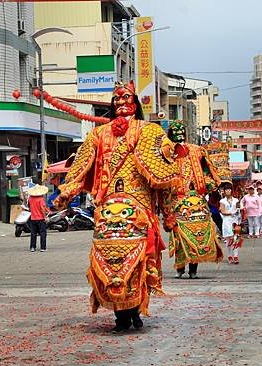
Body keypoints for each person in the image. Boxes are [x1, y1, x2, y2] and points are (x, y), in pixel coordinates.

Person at [53, 81, 180, 333]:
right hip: (107, 208)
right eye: (117, 100)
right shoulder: (97, 134)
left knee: (140, 261)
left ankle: (134, 309)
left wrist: (169, 212)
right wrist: (66, 192)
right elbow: (80, 167)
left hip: (139, 207)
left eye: (126, 99)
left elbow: (165, 177)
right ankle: (121, 313)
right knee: (110, 259)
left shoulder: (150, 132)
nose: (122, 103)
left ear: (135, 103)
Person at [160, 120, 223, 279]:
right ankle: (180, 268)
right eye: (175, 131)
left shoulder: (197, 151)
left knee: (197, 235)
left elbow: (210, 173)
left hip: (197, 200)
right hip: (177, 201)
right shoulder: (167, 153)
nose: (178, 133)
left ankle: (193, 270)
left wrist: (207, 184)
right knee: (179, 236)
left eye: (181, 130)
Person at [220, 183, 241, 264]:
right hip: (226, 221)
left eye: (229, 189)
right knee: (228, 240)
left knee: (236, 239)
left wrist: (239, 210)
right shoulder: (222, 201)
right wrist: (232, 213)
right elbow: (223, 211)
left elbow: (238, 208)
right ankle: (229, 256)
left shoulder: (236, 200)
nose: (228, 191)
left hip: (235, 221)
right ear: (224, 191)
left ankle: (236, 256)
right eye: (226, 190)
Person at [28, 183, 49, 252]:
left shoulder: (30, 199)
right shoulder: (40, 199)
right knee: (43, 233)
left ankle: (32, 247)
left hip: (33, 218)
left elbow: (29, 207)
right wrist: (45, 217)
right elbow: (42, 208)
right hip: (40, 219)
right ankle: (43, 247)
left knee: (33, 234)